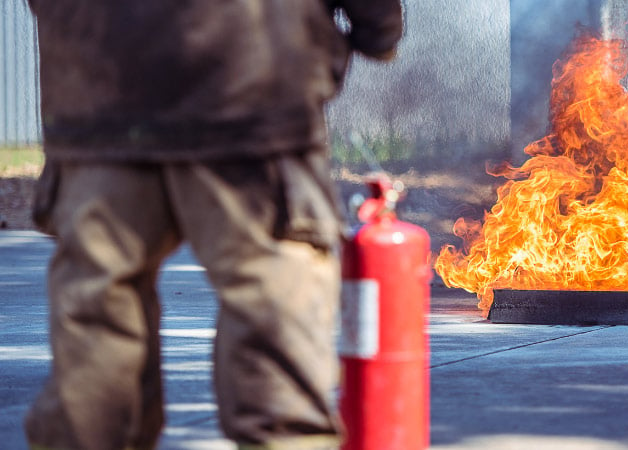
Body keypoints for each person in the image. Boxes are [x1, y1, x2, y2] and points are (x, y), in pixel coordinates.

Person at [24, 1, 403, 448]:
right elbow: (376, 27)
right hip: (248, 93)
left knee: (95, 339)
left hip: (98, 97)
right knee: (274, 324)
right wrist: (375, 31)